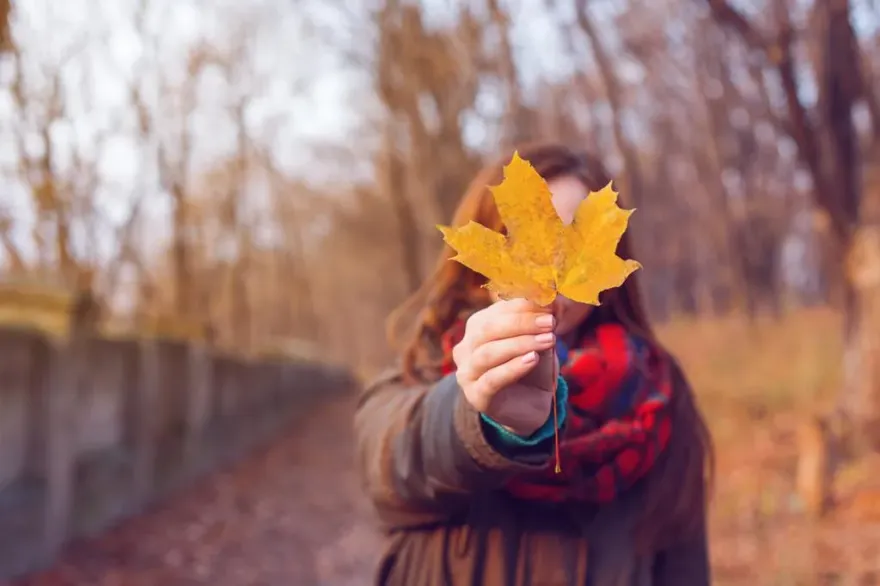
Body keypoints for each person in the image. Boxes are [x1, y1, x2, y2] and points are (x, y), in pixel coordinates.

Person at [355, 142, 713, 586]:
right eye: (522, 241)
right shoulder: (429, 363)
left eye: (572, 243)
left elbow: (684, 566)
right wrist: (480, 419)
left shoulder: (658, 395)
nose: (546, 273)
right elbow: (390, 467)